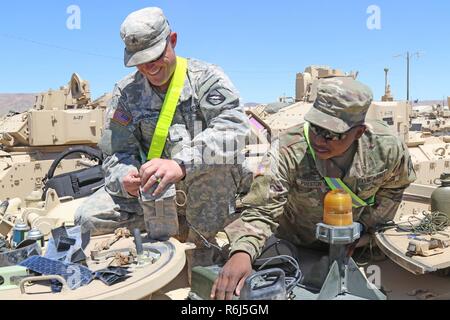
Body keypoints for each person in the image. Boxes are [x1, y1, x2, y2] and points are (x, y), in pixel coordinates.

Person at [74, 7, 251, 275]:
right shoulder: (126, 92)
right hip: (153, 193)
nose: (150, 67)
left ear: (173, 41)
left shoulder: (207, 78)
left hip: (201, 185)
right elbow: (116, 153)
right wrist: (126, 178)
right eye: (141, 61)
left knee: (217, 170)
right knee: (86, 218)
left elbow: (234, 130)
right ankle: (163, 235)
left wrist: (181, 163)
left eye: (156, 56)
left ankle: (203, 254)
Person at [211, 77, 416, 300]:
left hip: (353, 248)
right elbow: (262, 208)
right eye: (316, 127)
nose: (319, 139)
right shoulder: (289, 149)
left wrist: (364, 227)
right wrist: (243, 252)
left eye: (332, 134)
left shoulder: (386, 149)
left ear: (357, 132)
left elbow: (396, 186)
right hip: (294, 246)